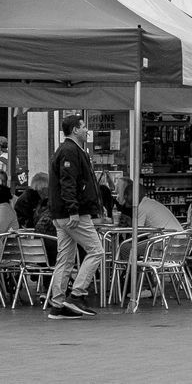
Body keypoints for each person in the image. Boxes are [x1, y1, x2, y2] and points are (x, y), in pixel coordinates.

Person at [48, 114, 105, 319]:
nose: (86, 129)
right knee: (96, 251)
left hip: (60, 214)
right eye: (83, 126)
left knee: (65, 259)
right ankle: (77, 294)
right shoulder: (71, 151)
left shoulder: (67, 150)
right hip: (74, 214)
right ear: (75, 130)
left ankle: (57, 304)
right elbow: (68, 182)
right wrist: (73, 209)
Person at [117, 178, 183, 231]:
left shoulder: (142, 207)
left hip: (168, 241)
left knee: (123, 247)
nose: (125, 196)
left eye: (127, 194)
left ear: (137, 194)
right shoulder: (147, 203)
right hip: (175, 238)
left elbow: (136, 234)